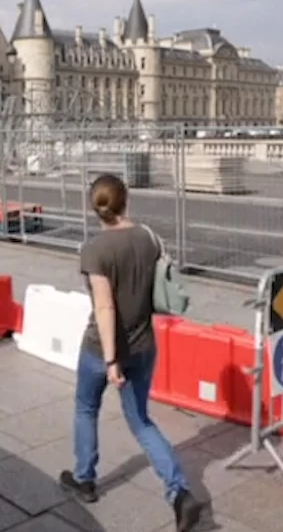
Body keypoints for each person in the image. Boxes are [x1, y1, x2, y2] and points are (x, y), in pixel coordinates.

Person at [58, 174, 202, 531]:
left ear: (95, 209)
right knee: (141, 420)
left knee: (86, 407)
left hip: (101, 349)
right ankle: (179, 492)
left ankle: (85, 478)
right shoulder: (149, 238)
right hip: (144, 345)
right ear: (127, 202)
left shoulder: (94, 250)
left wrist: (110, 360)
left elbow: (105, 308)